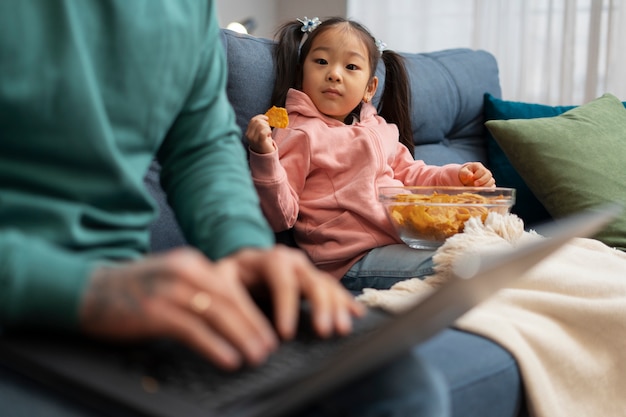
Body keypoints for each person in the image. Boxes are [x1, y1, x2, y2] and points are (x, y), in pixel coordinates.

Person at [0, 2, 449, 416]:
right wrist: (85, 292)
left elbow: (201, 145)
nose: (334, 75)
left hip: (134, 307)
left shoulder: (185, 11)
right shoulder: (296, 130)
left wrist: (244, 248)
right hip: (25, 302)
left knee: (397, 387)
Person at [246, 17, 495, 292]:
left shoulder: (378, 128)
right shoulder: (301, 132)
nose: (334, 74)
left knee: (495, 246)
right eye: (321, 62)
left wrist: (458, 176)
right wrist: (264, 156)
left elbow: (412, 173)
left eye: (351, 66)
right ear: (300, 73)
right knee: (465, 264)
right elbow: (281, 216)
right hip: (350, 260)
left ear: (369, 89)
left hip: (404, 239)